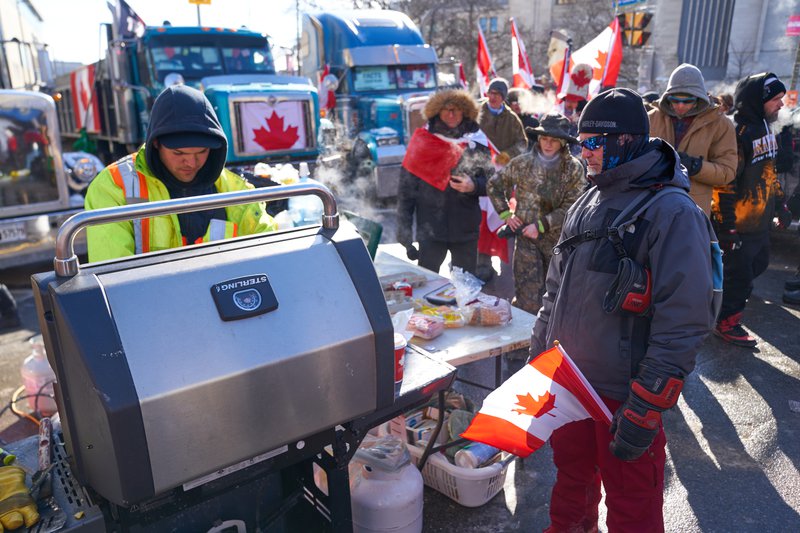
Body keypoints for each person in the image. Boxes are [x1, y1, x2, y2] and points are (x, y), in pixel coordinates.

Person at [531, 88, 716, 532]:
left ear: (627, 140)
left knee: (633, 500)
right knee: (572, 479)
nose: (585, 153)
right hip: (571, 382)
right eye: (581, 143)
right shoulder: (587, 200)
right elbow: (554, 288)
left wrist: (647, 403)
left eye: (594, 142)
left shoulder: (672, 212)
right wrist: (539, 359)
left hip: (625, 394)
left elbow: (686, 317)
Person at [85, 85, 276, 261]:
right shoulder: (112, 187)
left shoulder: (233, 189)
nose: (191, 163)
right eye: (179, 153)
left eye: (202, 152)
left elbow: (269, 246)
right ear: (156, 144)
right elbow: (111, 274)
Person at [711, 73, 786, 347]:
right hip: (739, 223)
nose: (781, 105)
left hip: (760, 221)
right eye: (775, 99)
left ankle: (720, 304)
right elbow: (725, 184)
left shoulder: (767, 129)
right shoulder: (737, 132)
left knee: (759, 264)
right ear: (758, 100)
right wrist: (727, 225)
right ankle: (726, 322)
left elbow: (769, 173)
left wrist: (781, 205)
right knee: (739, 275)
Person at [487, 113, 585, 314]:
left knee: (557, 300)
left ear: (563, 142)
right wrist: (506, 215)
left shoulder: (573, 168)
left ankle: (551, 343)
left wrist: (542, 225)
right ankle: (525, 343)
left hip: (558, 243)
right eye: (544, 138)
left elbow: (572, 205)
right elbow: (494, 185)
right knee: (527, 300)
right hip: (525, 242)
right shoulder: (522, 163)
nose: (548, 144)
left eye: (553, 140)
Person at [397, 88, 493, 275]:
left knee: (465, 289)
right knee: (427, 288)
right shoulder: (423, 141)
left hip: (465, 229)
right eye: (446, 109)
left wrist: (474, 186)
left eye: (456, 109)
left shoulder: (477, 141)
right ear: (437, 112)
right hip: (430, 230)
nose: (451, 114)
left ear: (465, 112)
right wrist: (405, 232)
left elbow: (492, 183)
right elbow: (406, 191)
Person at [648, 63, 737, 216]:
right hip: (652, 207)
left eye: (687, 101)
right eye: (674, 100)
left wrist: (696, 166)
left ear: (699, 99)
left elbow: (727, 172)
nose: (680, 106)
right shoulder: (651, 119)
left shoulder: (720, 124)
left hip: (692, 213)